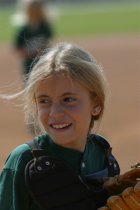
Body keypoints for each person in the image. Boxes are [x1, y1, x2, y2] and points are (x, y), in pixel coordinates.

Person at [0, 42, 121, 210]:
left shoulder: (102, 153)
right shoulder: (25, 160)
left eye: (68, 99)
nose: (55, 112)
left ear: (96, 104)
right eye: (44, 101)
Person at [14, 0, 54, 81]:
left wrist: (42, 51)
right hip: (29, 64)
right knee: (30, 83)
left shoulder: (45, 27)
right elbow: (18, 49)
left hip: (44, 62)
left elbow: (48, 42)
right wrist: (31, 53)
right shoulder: (23, 30)